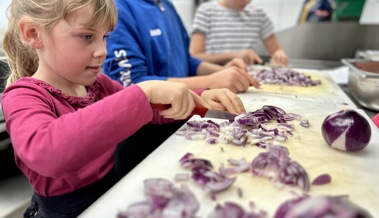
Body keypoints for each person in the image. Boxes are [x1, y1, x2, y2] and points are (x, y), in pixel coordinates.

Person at [1, 0, 247, 217]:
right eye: (87, 36)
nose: (102, 51)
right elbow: (46, 152)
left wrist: (200, 100)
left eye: (104, 37)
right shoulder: (24, 95)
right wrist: (142, 93)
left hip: (112, 198)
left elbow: (150, 109)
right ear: (33, 33)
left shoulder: (100, 85)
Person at [103, 0, 260, 94]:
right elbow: (132, 84)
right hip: (144, 130)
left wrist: (223, 72)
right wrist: (209, 81)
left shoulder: (166, 5)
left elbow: (187, 61)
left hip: (181, 113)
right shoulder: (118, 9)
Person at [189, 0, 289, 67]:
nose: (246, 1)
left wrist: (279, 54)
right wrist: (234, 55)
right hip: (213, 81)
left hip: (245, 80)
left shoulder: (258, 15)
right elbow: (195, 56)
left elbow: (276, 50)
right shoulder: (207, 11)